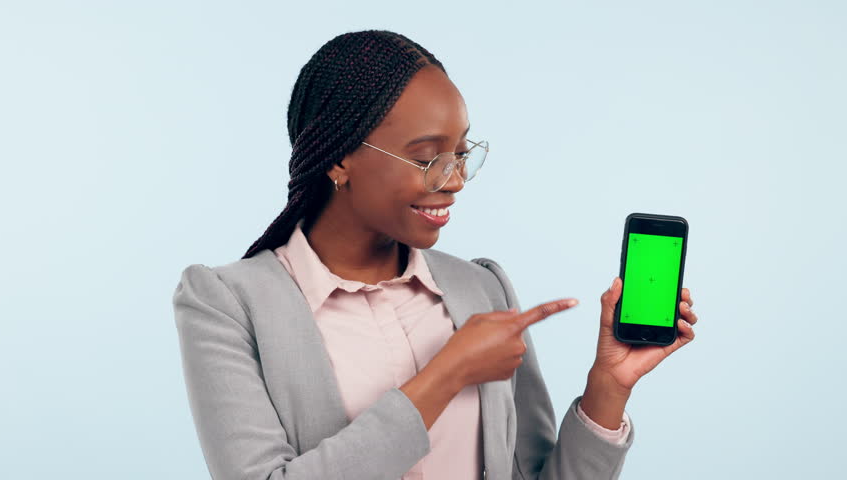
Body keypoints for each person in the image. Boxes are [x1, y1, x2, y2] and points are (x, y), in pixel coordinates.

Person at [172, 29, 698, 480]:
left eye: (462, 154)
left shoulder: (480, 289)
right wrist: (447, 373)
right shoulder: (226, 303)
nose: (456, 181)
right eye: (427, 158)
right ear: (338, 159)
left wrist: (607, 386)